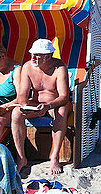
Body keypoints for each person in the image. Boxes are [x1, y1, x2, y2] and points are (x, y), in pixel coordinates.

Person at [14, 38, 72, 174]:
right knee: (16, 113)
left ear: (48, 56)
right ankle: (21, 157)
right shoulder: (28, 67)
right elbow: (22, 93)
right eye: (33, 54)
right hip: (36, 104)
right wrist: (24, 105)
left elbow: (64, 96)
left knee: (61, 112)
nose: (33, 57)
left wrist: (49, 105)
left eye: (38, 55)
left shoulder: (59, 67)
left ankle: (55, 156)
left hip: (55, 103)